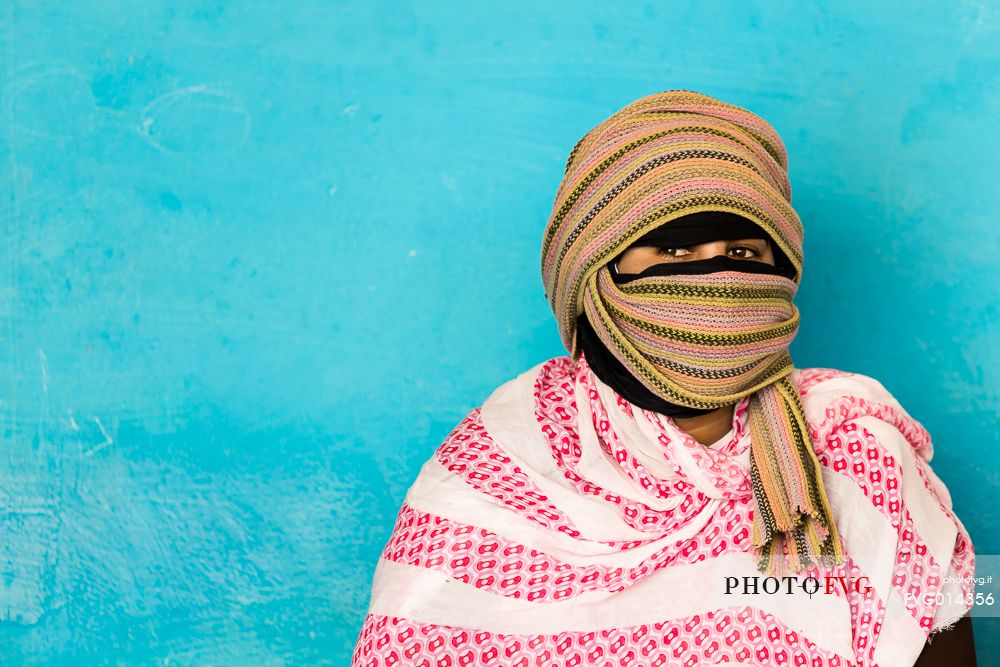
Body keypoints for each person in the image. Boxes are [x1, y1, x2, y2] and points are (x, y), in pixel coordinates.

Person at [351, 90, 977, 666]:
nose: (713, 276)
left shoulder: (855, 448)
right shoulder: (505, 462)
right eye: (674, 252)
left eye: (742, 254)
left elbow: (957, 614)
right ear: (592, 278)